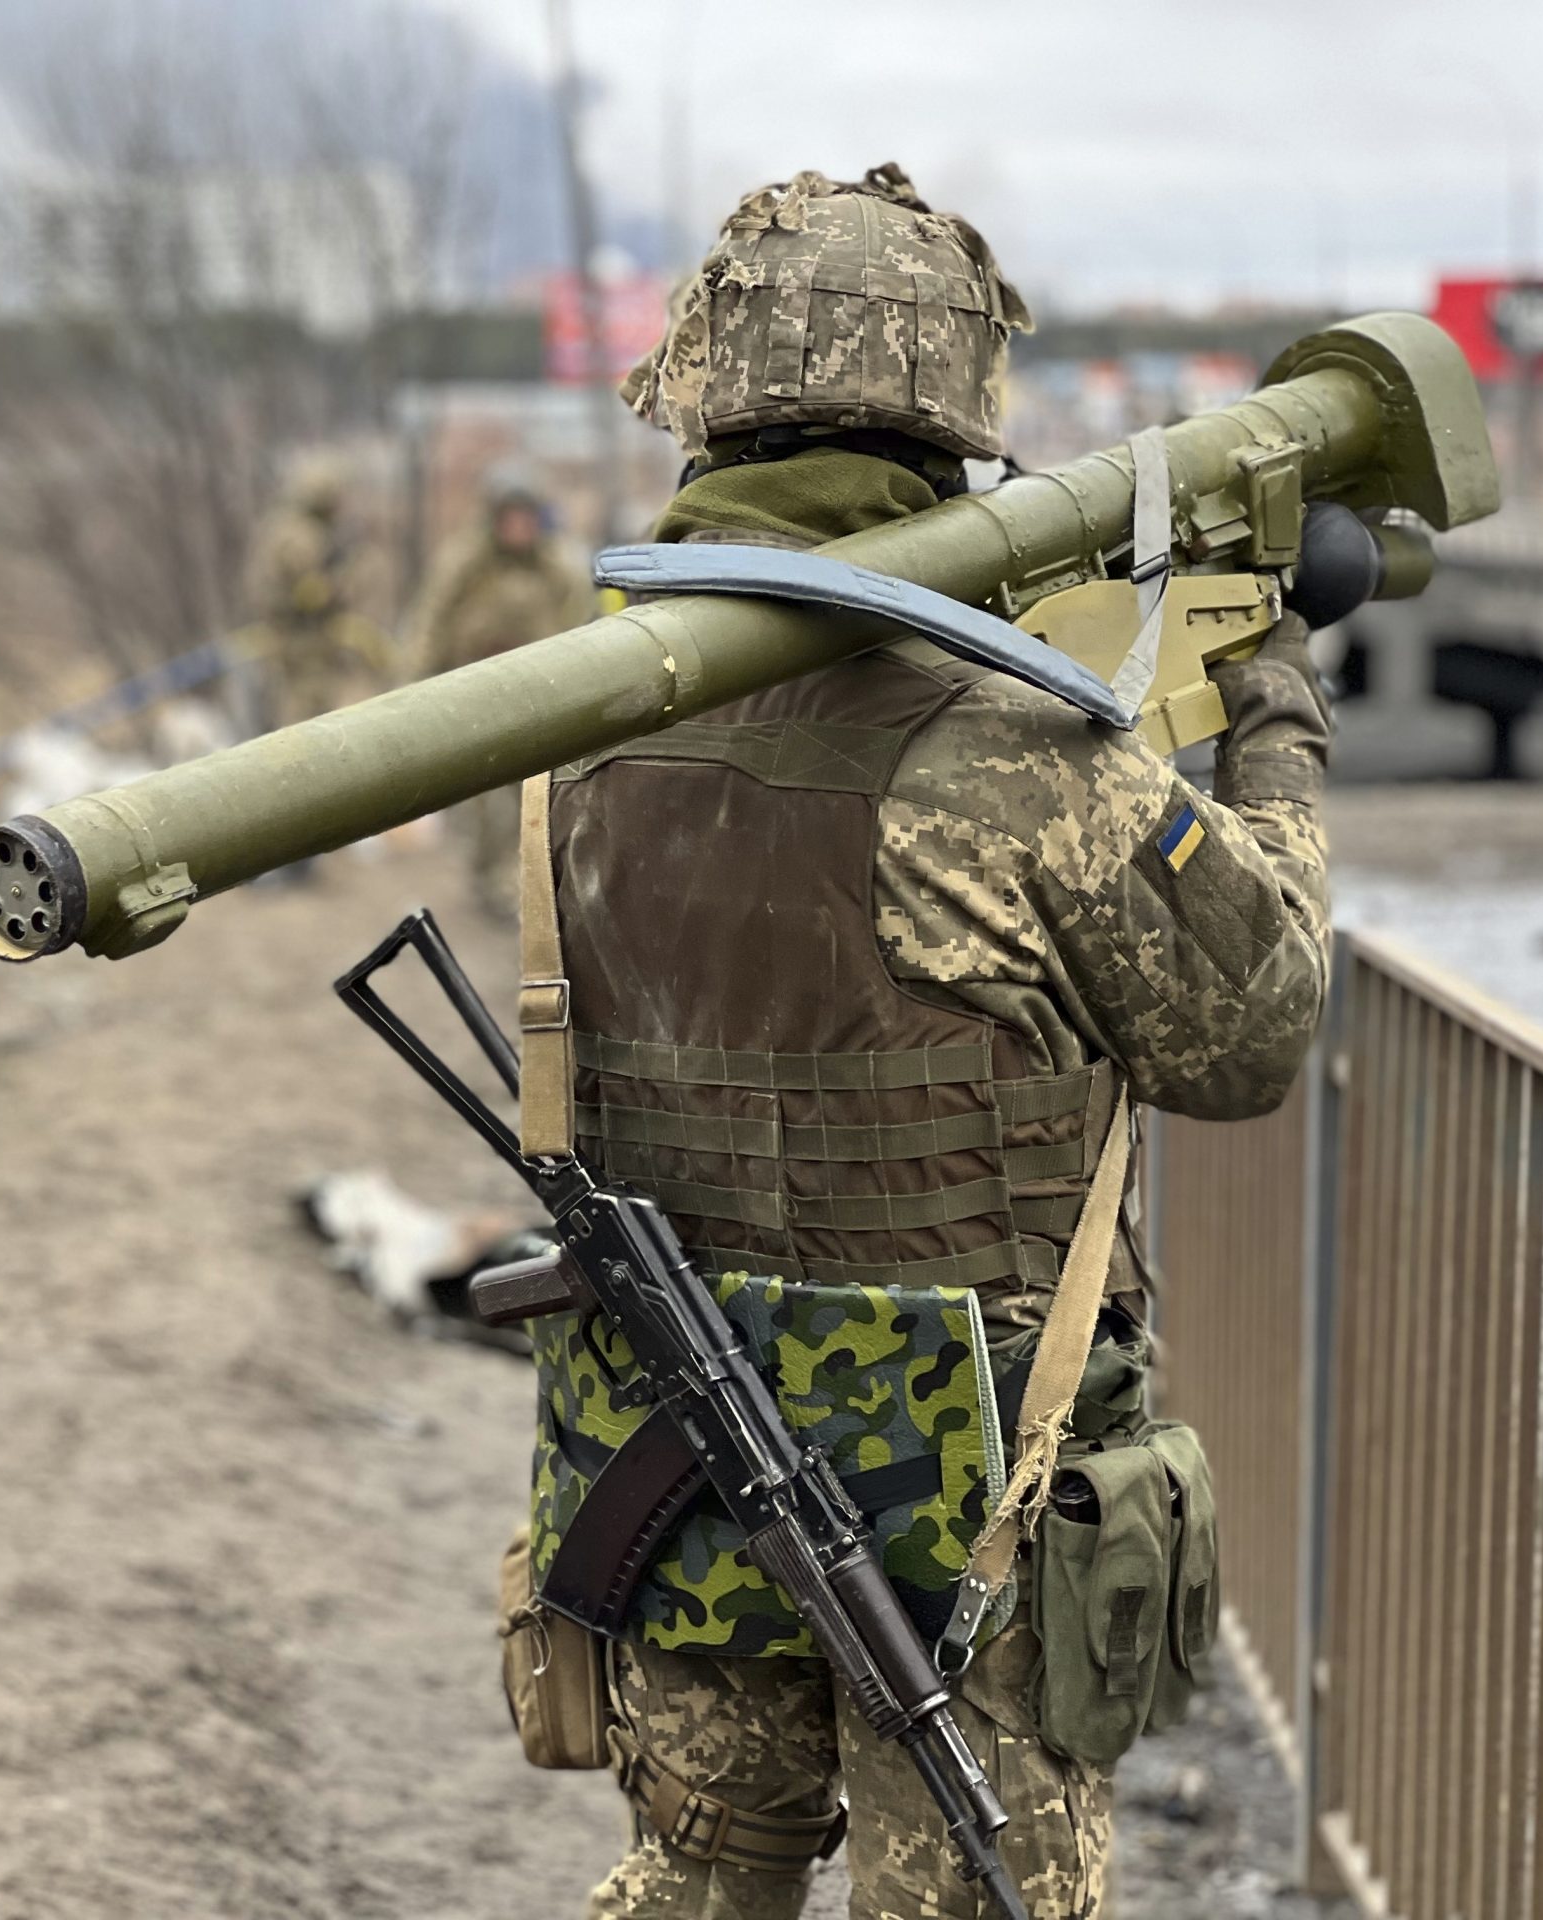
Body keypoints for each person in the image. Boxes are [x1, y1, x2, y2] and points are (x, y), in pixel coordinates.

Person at [525, 165, 1331, 1917]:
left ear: (706, 402)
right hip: (971, 1508)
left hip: (678, 1452)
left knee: (694, 1885)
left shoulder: (571, 734)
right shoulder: (1023, 756)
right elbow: (1255, 1030)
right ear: (958, 420)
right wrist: (1271, 700)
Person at [410, 465, 591, 917]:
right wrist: (418, 683)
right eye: (510, 518)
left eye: (527, 518)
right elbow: (433, 620)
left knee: (535, 798)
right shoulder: (467, 563)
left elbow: (579, 623)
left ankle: (525, 882)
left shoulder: (555, 567)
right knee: (486, 803)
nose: (519, 528)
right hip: (476, 693)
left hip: (535, 696)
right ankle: (491, 880)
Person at [241, 452, 390, 733]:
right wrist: (343, 580)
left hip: (305, 644)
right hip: (302, 646)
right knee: (305, 722)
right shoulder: (299, 535)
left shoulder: (290, 528)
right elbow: (312, 594)